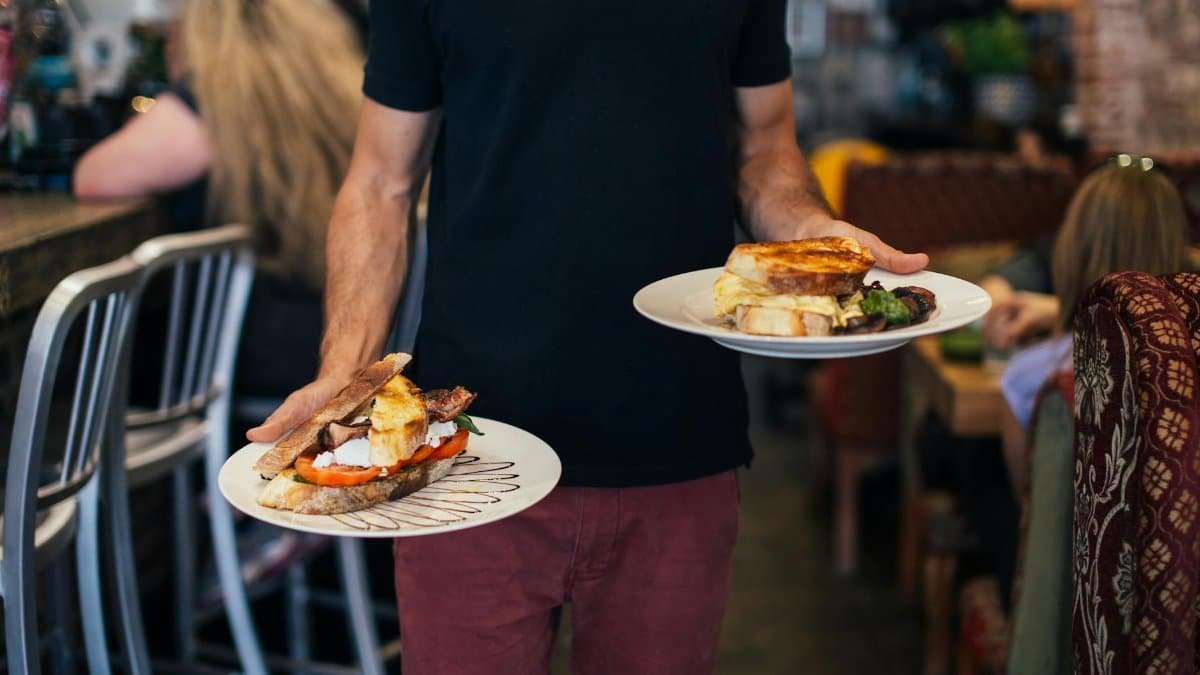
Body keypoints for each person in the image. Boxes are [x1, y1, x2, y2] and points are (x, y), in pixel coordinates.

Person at [247, 1, 927, 672]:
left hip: (678, 438)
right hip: (469, 452)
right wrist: (344, 372)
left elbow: (766, 149)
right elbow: (380, 183)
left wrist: (811, 233)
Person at [73, 0, 364, 398]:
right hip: (340, 337)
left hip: (253, 357)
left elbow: (94, 176)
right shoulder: (340, 89)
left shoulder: (218, 103)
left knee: (93, 360)